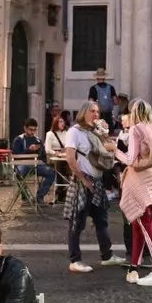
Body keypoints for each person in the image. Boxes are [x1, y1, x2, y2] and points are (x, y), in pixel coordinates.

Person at [116, 99, 152, 285]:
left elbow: (130, 159)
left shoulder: (135, 129)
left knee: (145, 224)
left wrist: (114, 150)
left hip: (137, 181)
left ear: (134, 112)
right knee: (140, 224)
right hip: (151, 179)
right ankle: (134, 266)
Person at [61, 102, 117, 274]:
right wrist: (83, 179)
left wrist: (105, 134)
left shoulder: (95, 131)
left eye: (98, 111)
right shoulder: (75, 131)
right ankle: (75, 260)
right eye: (92, 111)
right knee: (77, 222)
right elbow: (70, 158)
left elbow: (108, 150)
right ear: (84, 112)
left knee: (102, 220)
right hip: (83, 181)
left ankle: (107, 255)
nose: (96, 114)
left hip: (97, 180)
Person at [10, 118, 51, 203]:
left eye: (34, 130)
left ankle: (39, 196)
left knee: (51, 172)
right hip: (22, 164)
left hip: (37, 165)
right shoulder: (19, 140)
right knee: (19, 172)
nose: (32, 132)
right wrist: (28, 150)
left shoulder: (38, 140)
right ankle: (25, 196)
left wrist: (43, 160)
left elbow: (43, 155)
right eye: (30, 130)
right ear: (25, 128)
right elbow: (16, 156)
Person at [41, 112, 72, 205]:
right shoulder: (50, 134)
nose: (63, 123)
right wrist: (56, 153)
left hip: (64, 156)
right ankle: (60, 192)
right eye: (60, 122)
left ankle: (66, 191)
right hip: (53, 157)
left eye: (63, 121)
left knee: (69, 165)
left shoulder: (67, 133)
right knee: (59, 166)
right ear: (56, 123)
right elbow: (47, 149)